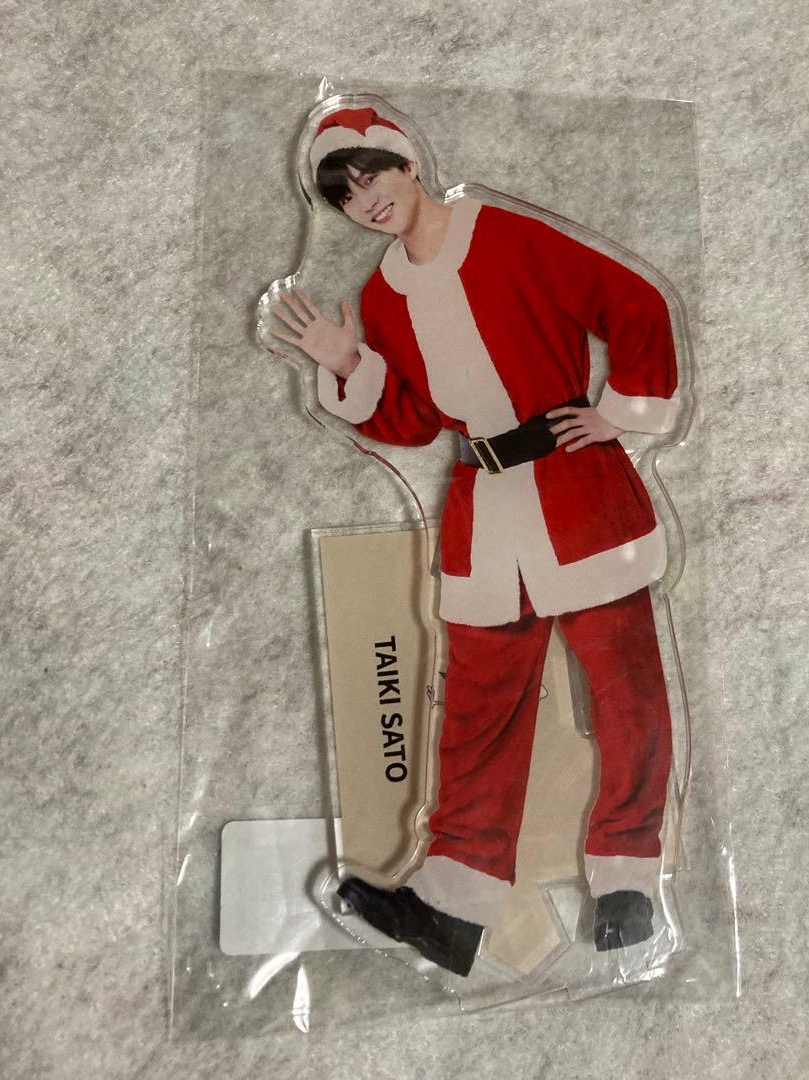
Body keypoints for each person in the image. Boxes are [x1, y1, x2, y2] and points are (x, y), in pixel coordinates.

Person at [273, 105, 682, 977]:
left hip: (577, 493)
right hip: (482, 512)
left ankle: (627, 884)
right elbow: (416, 422)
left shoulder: (506, 236)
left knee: (626, 693)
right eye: (344, 194)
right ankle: (453, 905)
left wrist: (618, 413)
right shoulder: (382, 297)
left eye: (372, 175)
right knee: (478, 711)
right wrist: (347, 363)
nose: (365, 200)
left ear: (408, 164)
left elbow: (634, 302)